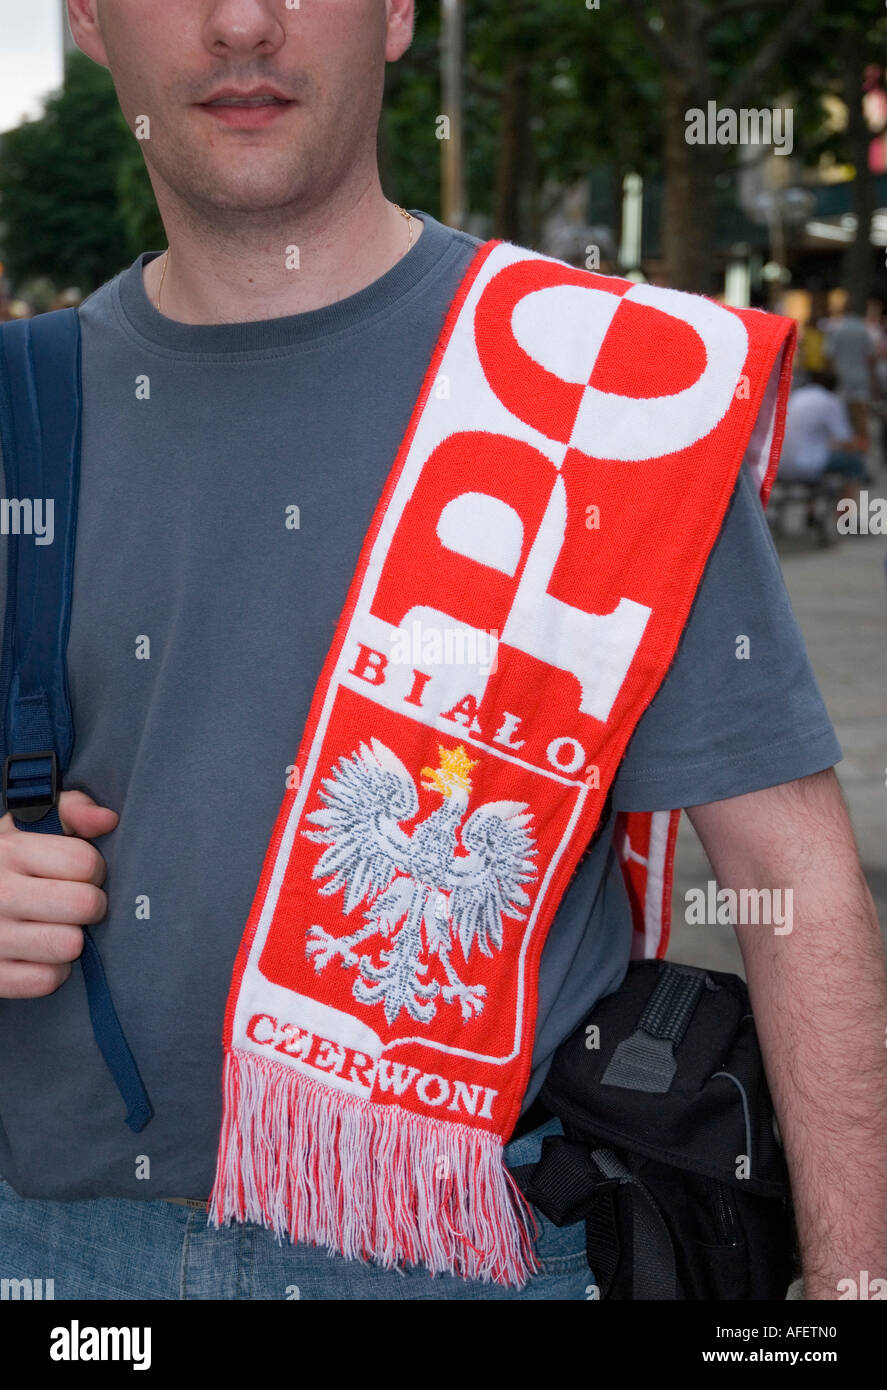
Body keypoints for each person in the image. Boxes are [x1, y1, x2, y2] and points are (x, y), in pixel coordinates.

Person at [0, 0, 885, 1302]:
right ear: (86, 20)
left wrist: (852, 1280)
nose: (242, 22)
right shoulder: (19, 408)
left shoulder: (612, 395)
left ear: (398, 13)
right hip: (51, 1253)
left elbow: (790, 871)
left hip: (479, 1250)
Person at [779, 369, 869, 512]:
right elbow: (845, 439)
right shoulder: (830, 401)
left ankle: (811, 511)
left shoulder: (798, 395)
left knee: (820, 453)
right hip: (807, 465)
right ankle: (846, 517)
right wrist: (862, 444)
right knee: (854, 462)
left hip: (780, 465)